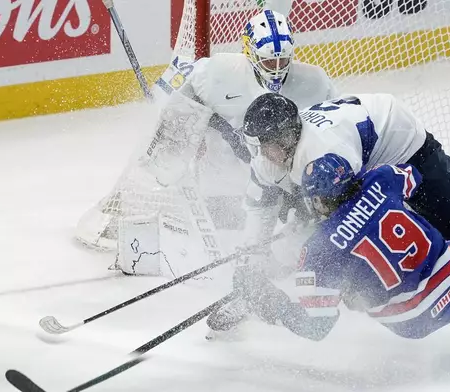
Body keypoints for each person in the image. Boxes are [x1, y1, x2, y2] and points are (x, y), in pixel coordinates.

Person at [208, 93, 450, 337]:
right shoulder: (274, 156)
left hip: (406, 148)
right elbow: (257, 215)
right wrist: (249, 265)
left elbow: (338, 225)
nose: (263, 154)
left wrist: (292, 260)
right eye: (259, 147)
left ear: (288, 137)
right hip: (371, 157)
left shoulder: (324, 152)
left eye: (268, 145)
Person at [229, 154, 450, 340]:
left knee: (358, 290)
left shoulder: (319, 249)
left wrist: (267, 301)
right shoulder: (383, 178)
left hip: (407, 325)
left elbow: (316, 327)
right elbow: (415, 179)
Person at [75, 9, 338, 253]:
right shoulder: (217, 72)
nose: (278, 69)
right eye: (270, 62)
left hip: (278, 162)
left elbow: (332, 128)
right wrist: (191, 135)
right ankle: (134, 215)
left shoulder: (315, 81)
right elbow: (182, 104)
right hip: (233, 162)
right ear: (250, 54)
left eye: (283, 60)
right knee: (172, 170)